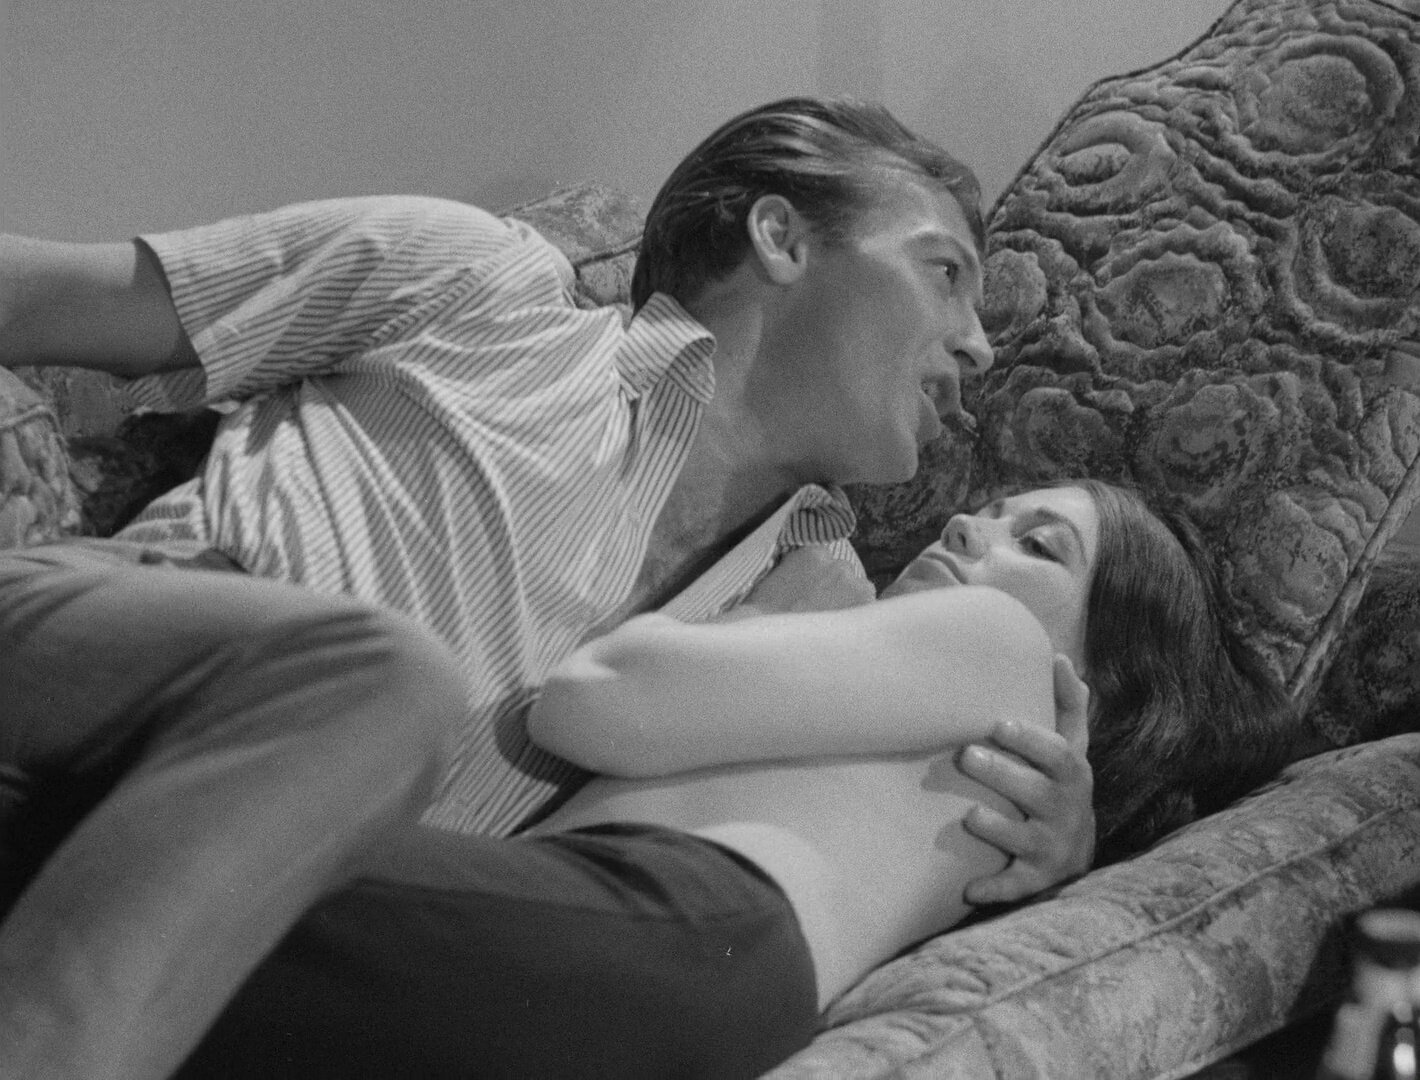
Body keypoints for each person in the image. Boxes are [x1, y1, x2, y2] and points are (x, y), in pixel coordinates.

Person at [0, 98, 1095, 1073]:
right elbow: (34, 295)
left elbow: (760, 906)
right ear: (782, 237)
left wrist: (1048, 846)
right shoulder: (477, 281)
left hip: (235, 919)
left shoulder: (826, 603)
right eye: (944, 273)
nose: (979, 347)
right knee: (381, 684)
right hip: (86, 684)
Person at [24, 480, 1293, 1079]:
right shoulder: (997, 803)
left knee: (96, 845)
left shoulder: (997, 646)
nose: (971, 525)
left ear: (1104, 679)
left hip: (647, 932)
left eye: (1039, 542)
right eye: (995, 508)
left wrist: (778, 610)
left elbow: (594, 698)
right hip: (673, 993)